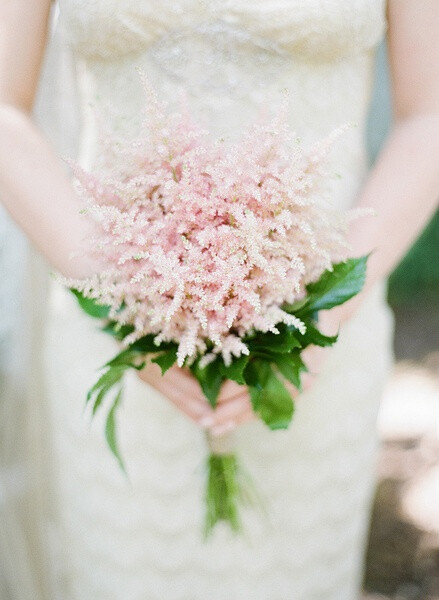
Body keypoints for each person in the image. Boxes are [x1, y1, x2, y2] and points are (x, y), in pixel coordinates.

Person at [0, 1, 438, 598]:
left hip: (321, 342)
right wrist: (129, 300)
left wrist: (317, 317)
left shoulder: (321, 326)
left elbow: (429, 115)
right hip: (116, 336)